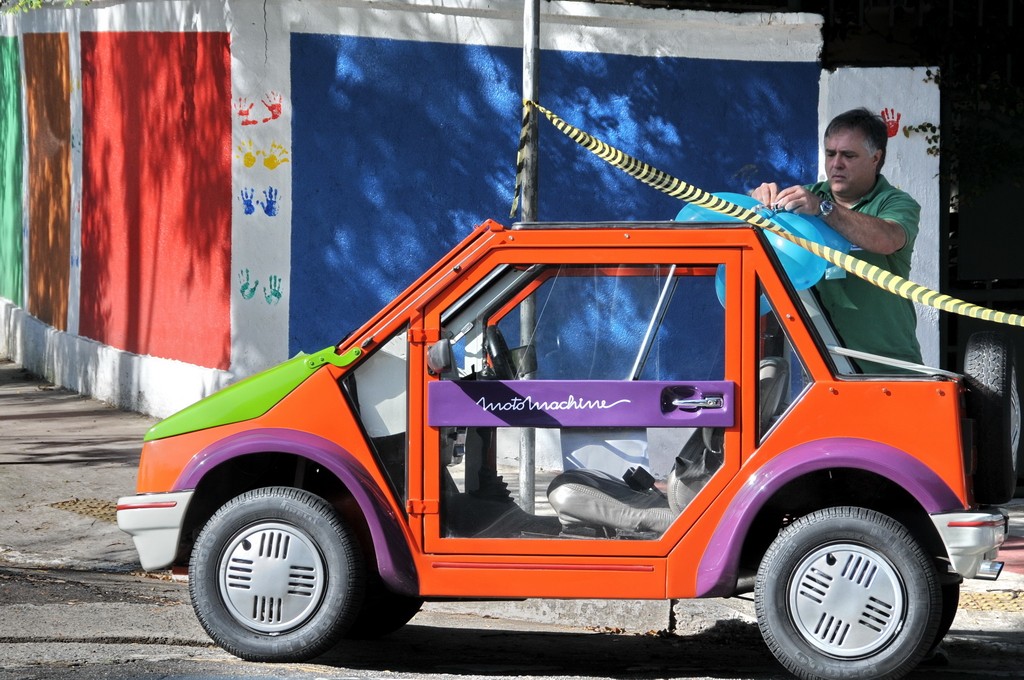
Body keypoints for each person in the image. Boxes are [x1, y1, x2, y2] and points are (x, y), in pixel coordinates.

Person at [750, 107, 922, 373]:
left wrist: (824, 209)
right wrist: (757, 202)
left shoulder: (894, 202)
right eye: (830, 154)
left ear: (875, 158)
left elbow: (887, 238)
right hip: (821, 365)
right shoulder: (805, 197)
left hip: (888, 364)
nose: (836, 164)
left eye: (848, 155)